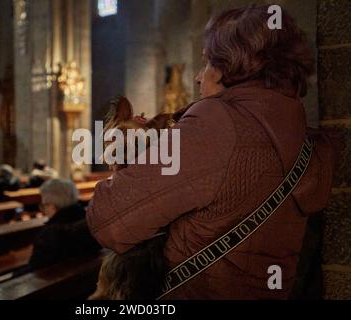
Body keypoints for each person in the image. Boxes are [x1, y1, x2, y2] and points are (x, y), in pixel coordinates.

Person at [86, 5, 335, 299]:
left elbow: (107, 222)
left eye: (207, 63)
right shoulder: (300, 134)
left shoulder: (217, 121)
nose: (198, 77)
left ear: (234, 65)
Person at [28, 179, 100, 270]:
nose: (43, 211)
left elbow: (34, 268)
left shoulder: (50, 235)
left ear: (52, 206)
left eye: (44, 205)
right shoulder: (90, 221)